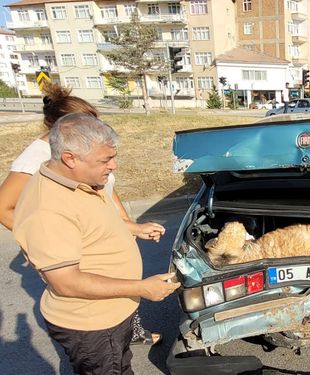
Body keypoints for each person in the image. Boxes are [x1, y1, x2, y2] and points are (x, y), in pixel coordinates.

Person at [11, 113, 181, 374]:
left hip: (111, 316)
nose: (114, 165)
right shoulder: (47, 209)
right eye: (105, 160)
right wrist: (142, 288)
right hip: (93, 326)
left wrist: (133, 228)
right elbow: (66, 281)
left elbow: (93, 224)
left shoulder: (80, 182)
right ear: (70, 158)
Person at [0, 83, 164, 346]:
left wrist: (129, 226)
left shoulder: (91, 157)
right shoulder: (40, 164)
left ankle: (127, 331)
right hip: (89, 309)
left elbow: (106, 194)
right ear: (66, 133)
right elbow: (5, 207)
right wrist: (41, 245)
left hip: (111, 301)